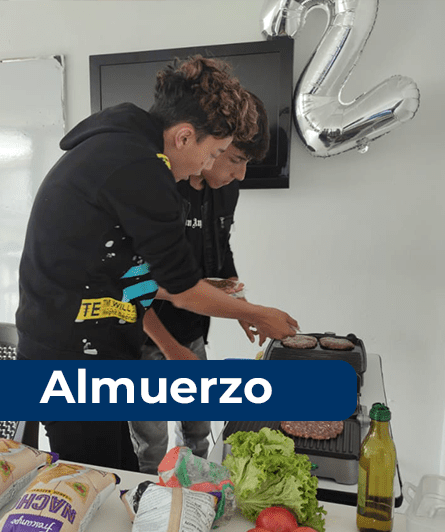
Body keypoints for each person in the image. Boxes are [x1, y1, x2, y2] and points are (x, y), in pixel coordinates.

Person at [16, 57, 299, 471]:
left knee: (102, 475)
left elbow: (123, 270)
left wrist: (230, 305)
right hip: (73, 360)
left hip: (68, 349)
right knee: (104, 483)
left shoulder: (119, 146)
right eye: (215, 153)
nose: (207, 167)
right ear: (185, 136)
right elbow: (182, 289)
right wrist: (256, 313)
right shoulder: (142, 168)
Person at [130, 93, 271, 474]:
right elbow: (130, 283)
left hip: (193, 335)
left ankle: (194, 498)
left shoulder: (226, 188)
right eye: (235, 158)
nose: (239, 174)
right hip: (146, 341)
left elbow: (221, 251)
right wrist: (170, 348)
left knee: (199, 433)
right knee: (152, 448)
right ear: (212, 141)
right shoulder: (158, 187)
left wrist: (241, 306)